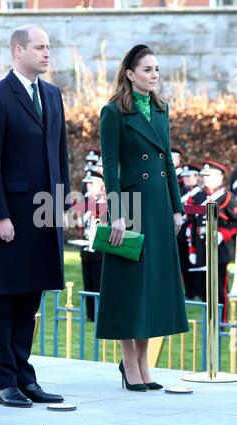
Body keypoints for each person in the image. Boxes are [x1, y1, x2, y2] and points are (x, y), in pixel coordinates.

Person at [0, 26, 70, 407]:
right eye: (40, 47)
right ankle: (4, 383)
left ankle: (25, 378)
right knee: (6, 300)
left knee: (30, 299)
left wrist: (60, 204)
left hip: (43, 214)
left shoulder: (52, 94)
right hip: (11, 216)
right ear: (18, 51)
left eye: (49, 47)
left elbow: (59, 154)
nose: (47, 53)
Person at [96, 44, 189, 391]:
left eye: (157, 69)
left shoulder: (162, 109)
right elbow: (109, 167)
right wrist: (116, 213)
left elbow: (167, 163)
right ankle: (129, 362)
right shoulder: (113, 112)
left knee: (151, 287)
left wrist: (177, 207)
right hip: (131, 207)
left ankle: (143, 362)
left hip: (159, 206)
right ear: (131, 73)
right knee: (129, 285)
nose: (154, 75)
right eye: (147, 69)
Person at [188, 161, 237, 322]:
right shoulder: (199, 197)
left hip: (220, 250)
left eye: (209, 176)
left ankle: (220, 322)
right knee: (204, 288)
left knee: (218, 289)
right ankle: (208, 320)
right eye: (204, 176)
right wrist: (193, 250)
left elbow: (235, 222)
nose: (205, 179)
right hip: (202, 249)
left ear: (219, 177)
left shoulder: (228, 197)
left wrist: (223, 234)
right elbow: (194, 224)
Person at [80, 170, 105, 322]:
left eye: (92, 183)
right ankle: (90, 315)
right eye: (88, 183)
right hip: (86, 249)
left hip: (100, 250)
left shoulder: (106, 201)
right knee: (88, 283)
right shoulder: (86, 203)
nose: (88, 186)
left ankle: (100, 314)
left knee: (99, 284)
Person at [177, 164, 201, 300]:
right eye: (184, 177)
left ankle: (197, 290)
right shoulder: (180, 192)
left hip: (193, 234)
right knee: (183, 263)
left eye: (189, 176)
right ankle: (188, 290)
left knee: (195, 263)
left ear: (196, 177)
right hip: (180, 233)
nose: (186, 179)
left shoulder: (200, 194)